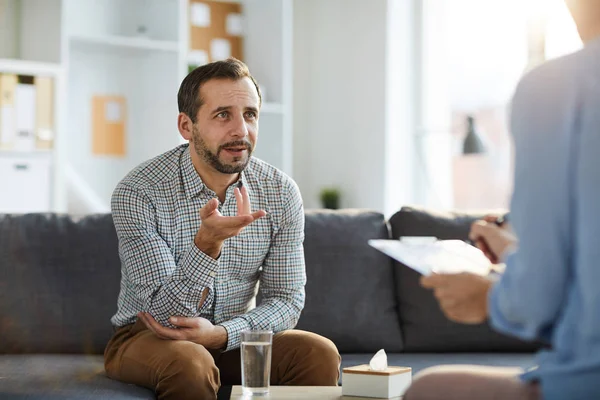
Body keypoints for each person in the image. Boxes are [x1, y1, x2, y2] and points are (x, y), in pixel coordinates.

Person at [103, 58, 340, 400]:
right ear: (187, 126)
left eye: (250, 114)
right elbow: (163, 317)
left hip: (230, 338)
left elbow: (287, 301)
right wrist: (207, 245)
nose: (241, 131)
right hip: (148, 337)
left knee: (318, 352)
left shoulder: (280, 192)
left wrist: (223, 334)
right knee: (191, 362)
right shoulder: (139, 192)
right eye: (223, 115)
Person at [405, 1, 600, 399]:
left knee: (428, 390)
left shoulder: (558, 87)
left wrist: (487, 296)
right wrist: (514, 254)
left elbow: (537, 302)